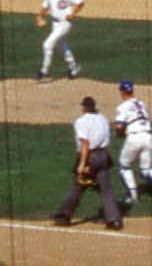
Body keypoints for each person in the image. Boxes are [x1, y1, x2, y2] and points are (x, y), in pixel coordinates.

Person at [52, 95, 123, 229]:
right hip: (104, 155)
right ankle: (114, 220)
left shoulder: (81, 121)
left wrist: (82, 164)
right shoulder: (102, 118)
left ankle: (64, 216)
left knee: (77, 186)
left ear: (84, 108)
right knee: (106, 189)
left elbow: (85, 144)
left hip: (90, 156)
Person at [112, 79, 152, 206]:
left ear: (122, 91)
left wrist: (119, 135)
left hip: (134, 137)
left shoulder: (123, 107)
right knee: (146, 169)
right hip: (149, 136)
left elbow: (119, 126)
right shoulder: (142, 104)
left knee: (124, 166)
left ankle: (132, 195)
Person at [36, 0, 84, 81]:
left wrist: (72, 14)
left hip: (64, 23)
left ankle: (44, 71)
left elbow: (80, 3)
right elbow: (45, 7)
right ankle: (73, 67)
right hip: (55, 24)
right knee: (62, 46)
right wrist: (39, 17)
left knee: (47, 44)